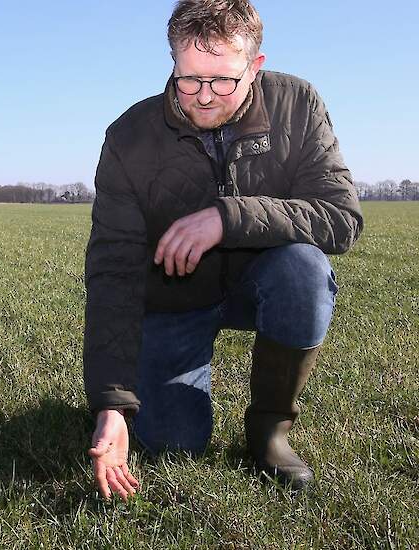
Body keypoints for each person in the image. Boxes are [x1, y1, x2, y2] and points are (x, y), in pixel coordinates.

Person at [84, 0, 363, 500]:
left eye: (223, 81)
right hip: (173, 299)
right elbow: (114, 273)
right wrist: (112, 404)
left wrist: (226, 217)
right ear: (172, 62)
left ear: (254, 67)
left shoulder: (297, 105)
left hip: (263, 278)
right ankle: (162, 394)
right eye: (189, 79)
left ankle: (269, 430)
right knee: (173, 445)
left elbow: (340, 218)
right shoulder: (129, 137)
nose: (204, 97)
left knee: (304, 269)